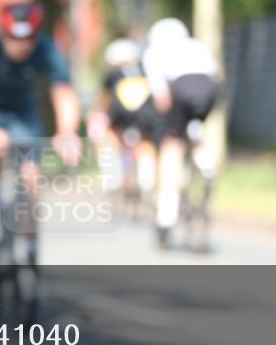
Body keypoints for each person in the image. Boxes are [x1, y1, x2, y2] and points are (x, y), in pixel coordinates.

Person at [0, 1, 81, 265]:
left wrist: (67, 132)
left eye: (28, 39)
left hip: (24, 112)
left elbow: (63, 92)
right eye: (14, 38)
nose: (22, 45)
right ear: (3, 34)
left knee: (31, 178)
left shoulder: (46, 48)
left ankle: (29, 243)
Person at [141, 18, 219, 247]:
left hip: (180, 88)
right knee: (195, 132)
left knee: (171, 145)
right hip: (207, 89)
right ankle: (205, 164)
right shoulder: (196, 45)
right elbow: (213, 74)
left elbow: (162, 97)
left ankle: (167, 213)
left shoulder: (153, 52)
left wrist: (164, 121)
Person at [87, 38, 158, 198]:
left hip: (120, 116)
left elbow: (104, 99)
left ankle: (112, 176)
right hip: (144, 116)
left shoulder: (113, 75)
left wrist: (96, 111)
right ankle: (147, 180)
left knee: (107, 135)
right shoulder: (145, 72)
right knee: (146, 143)